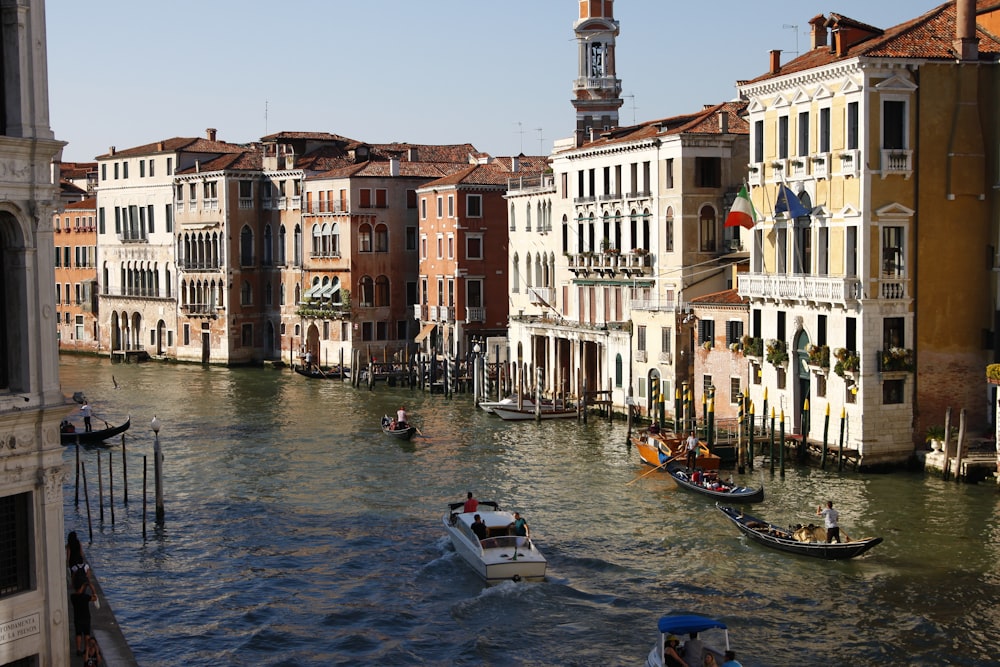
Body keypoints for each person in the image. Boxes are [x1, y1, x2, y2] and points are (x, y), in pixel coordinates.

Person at [70, 566, 96, 656]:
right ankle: (86, 649)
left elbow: (77, 591)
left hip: (77, 617)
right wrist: (92, 588)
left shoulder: (72, 597)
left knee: (78, 634)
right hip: (86, 617)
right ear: (82, 587)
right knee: (86, 634)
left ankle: (78, 649)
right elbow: (95, 598)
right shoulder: (85, 597)